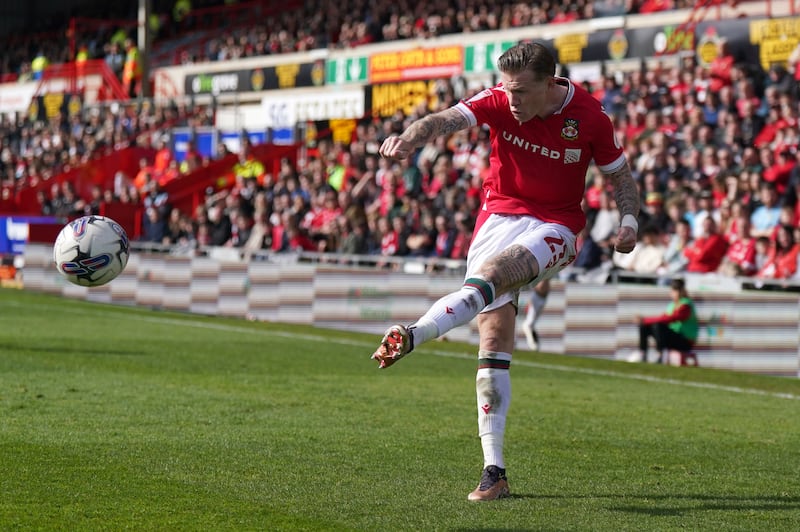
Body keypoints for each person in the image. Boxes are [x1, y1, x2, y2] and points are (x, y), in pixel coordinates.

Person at [370, 42, 639, 501]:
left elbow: (620, 175)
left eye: (520, 91)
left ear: (550, 83)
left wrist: (629, 221)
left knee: (495, 272)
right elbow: (443, 120)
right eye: (508, 89)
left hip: (557, 224)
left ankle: (415, 333)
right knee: (492, 343)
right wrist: (411, 138)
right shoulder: (498, 100)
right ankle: (494, 472)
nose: (510, 99)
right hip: (496, 218)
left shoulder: (590, 116)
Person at [630, 278, 699, 364]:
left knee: (657, 325)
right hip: (674, 337)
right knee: (644, 326)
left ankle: (662, 354)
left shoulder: (686, 305)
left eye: (673, 291)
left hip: (684, 341)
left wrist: (645, 319)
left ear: (679, 292)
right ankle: (642, 353)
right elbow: (663, 317)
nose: (671, 294)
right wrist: (644, 322)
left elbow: (670, 319)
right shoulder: (672, 305)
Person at [521, 278, 549, 350]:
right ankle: (533, 345)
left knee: (531, 324)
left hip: (542, 297)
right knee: (528, 324)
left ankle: (535, 343)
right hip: (536, 296)